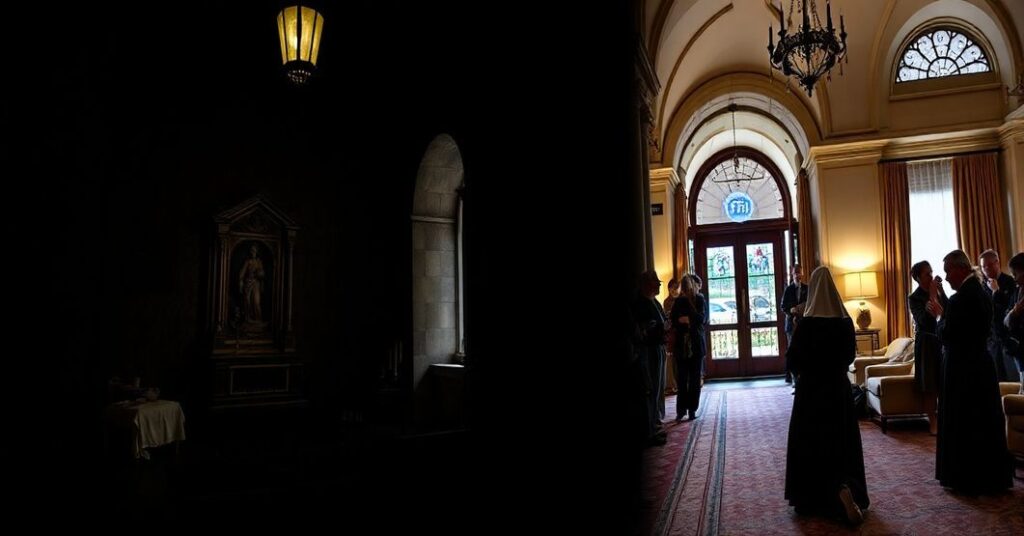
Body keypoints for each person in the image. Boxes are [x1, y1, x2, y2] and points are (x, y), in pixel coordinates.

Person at [784, 266, 868, 525]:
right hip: (838, 392)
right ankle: (845, 487)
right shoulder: (845, 322)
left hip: (811, 393)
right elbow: (851, 357)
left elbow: (792, 361)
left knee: (812, 443)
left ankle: (814, 497)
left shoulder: (807, 325)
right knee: (841, 442)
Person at [933, 249, 1012, 493]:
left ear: (961, 269)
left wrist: (938, 318)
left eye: (948, 271)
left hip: (962, 369)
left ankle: (966, 477)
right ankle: (989, 476)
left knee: (964, 421)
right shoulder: (979, 292)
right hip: (980, 365)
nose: (946, 277)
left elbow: (948, 334)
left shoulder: (961, 299)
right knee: (982, 421)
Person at [907, 260, 947, 435]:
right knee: (930, 384)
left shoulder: (938, 290)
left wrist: (940, 292)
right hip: (926, 343)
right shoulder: (914, 298)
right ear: (917, 278)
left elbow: (948, 310)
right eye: (927, 274)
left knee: (944, 382)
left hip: (943, 341)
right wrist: (931, 296)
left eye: (931, 273)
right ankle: (932, 421)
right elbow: (923, 321)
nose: (931, 276)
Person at [633, 269, 668, 446]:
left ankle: (654, 424)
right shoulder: (640, 303)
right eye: (656, 282)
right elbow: (640, 329)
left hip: (658, 347)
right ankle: (649, 430)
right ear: (647, 285)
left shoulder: (654, 301)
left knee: (658, 387)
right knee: (651, 388)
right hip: (648, 351)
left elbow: (663, 320)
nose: (659, 284)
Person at [979, 249, 1019, 382]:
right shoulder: (982, 287)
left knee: (1013, 379)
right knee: (998, 381)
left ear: (997, 263)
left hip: (1009, 340)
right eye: (983, 267)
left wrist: (996, 292)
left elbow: (1010, 309)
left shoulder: (1011, 282)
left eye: (989, 265)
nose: (986, 269)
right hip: (991, 342)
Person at [671, 274, 706, 421]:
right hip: (681, 346)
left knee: (694, 379)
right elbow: (674, 320)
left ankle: (692, 409)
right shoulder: (678, 301)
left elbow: (702, 319)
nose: (685, 289)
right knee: (682, 379)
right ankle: (681, 410)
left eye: (687, 286)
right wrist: (686, 320)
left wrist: (688, 319)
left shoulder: (699, 299)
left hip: (696, 345)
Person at [780, 263, 809, 383]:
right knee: (793, 351)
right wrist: (790, 310)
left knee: (804, 351)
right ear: (792, 275)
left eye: (799, 272)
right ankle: (794, 380)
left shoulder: (807, 288)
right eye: (795, 273)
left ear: (802, 273)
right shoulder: (788, 289)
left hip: (804, 324)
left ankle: (805, 378)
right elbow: (783, 306)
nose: (797, 275)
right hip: (791, 325)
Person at [1005, 252, 1024, 387]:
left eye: (1015, 274)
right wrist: (1014, 312)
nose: (1014, 279)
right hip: (1019, 349)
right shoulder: (1017, 292)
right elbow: (1006, 320)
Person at [239, 243, 266, 325]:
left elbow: (262, 273)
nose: (253, 252)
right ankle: (248, 319)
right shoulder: (248, 261)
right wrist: (240, 281)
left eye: (254, 250)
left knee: (256, 302)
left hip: (256, 283)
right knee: (247, 301)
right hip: (248, 283)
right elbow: (242, 272)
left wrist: (260, 274)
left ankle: (258, 320)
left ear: (257, 252)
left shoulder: (259, 262)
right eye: (251, 250)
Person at [663, 278, 681, 396]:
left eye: (676, 288)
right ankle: (673, 384)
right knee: (671, 359)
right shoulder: (666, 301)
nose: (674, 290)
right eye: (672, 288)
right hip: (671, 333)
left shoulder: (681, 300)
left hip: (680, 332)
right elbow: (667, 316)